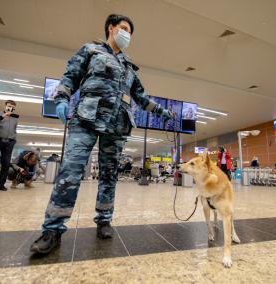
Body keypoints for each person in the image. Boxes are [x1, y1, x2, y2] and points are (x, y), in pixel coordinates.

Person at [30, 14, 172, 254]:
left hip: (117, 125)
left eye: (130, 32)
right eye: (124, 28)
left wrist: (160, 110)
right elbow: (71, 76)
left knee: (108, 175)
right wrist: (62, 98)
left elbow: (140, 96)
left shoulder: (129, 66)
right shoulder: (90, 50)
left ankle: (104, 220)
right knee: (70, 173)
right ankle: (52, 230)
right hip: (86, 117)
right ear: (111, 28)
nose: (127, 34)